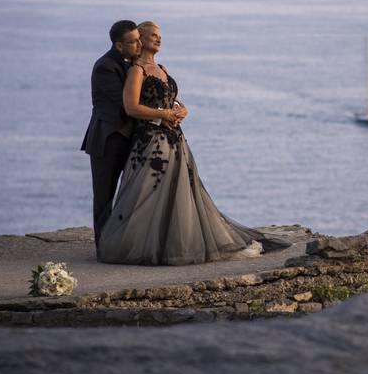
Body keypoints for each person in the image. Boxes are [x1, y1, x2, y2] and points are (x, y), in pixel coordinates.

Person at [97, 21, 289, 265]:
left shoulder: (162, 68)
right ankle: (142, 247)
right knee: (148, 196)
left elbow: (171, 99)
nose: (158, 39)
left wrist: (180, 109)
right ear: (141, 39)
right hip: (151, 142)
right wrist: (164, 115)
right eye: (153, 36)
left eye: (160, 36)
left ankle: (174, 244)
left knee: (179, 194)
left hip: (175, 140)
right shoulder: (137, 70)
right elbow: (131, 107)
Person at [82, 20, 146, 255]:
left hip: (128, 140)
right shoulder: (105, 67)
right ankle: (104, 248)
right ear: (119, 46)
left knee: (129, 193)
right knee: (104, 196)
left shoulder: (132, 63)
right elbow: (126, 103)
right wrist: (161, 111)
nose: (139, 44)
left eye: (139, 38)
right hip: (108, 140)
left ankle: (123, 241)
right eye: (134, 41)